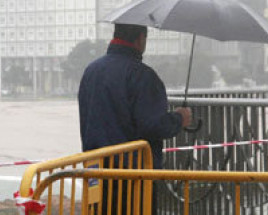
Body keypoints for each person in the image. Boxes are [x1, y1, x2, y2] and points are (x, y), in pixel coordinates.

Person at [78, 23, 192, 214]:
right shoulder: (142, 76)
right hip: (133, 176)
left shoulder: (91, 71)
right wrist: (179, 118)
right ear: (140, 39)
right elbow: (153, 126)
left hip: (95, 171)